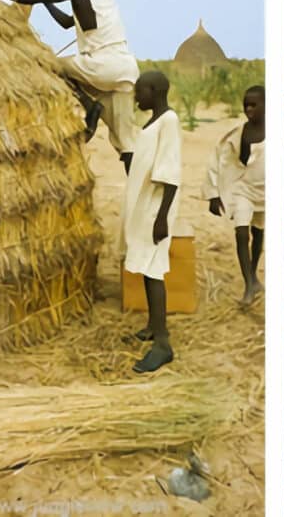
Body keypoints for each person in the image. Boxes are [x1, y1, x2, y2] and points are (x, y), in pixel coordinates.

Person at [0, 0, 140, 173]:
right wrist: (46, 1)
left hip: (99, 66)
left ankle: (89, 106)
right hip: (126, 70)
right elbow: (67, 22)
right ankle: (137, 187)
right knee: (127, 142)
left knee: (49, 63)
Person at [124, 71, 181, 374]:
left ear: (155, 90)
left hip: (155, 208)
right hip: (146, 205)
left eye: (140, 91)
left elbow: (170, 172)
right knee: (147, 266)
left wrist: (162, 217)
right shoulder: (155, 121)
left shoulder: (168, 121)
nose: (136, 96)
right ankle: (152, 325)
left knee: (154, 268)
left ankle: (163, 344)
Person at [202, 86, 265, 305]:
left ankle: (254, 274)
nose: (248, 108)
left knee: (258, 234)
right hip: (242, 190)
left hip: (265, 192)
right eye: (246, 104)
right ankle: (248, 284)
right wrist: (212, 194)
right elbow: (217, 161)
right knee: (241, 233)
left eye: (254, 105)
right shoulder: (237, 134)